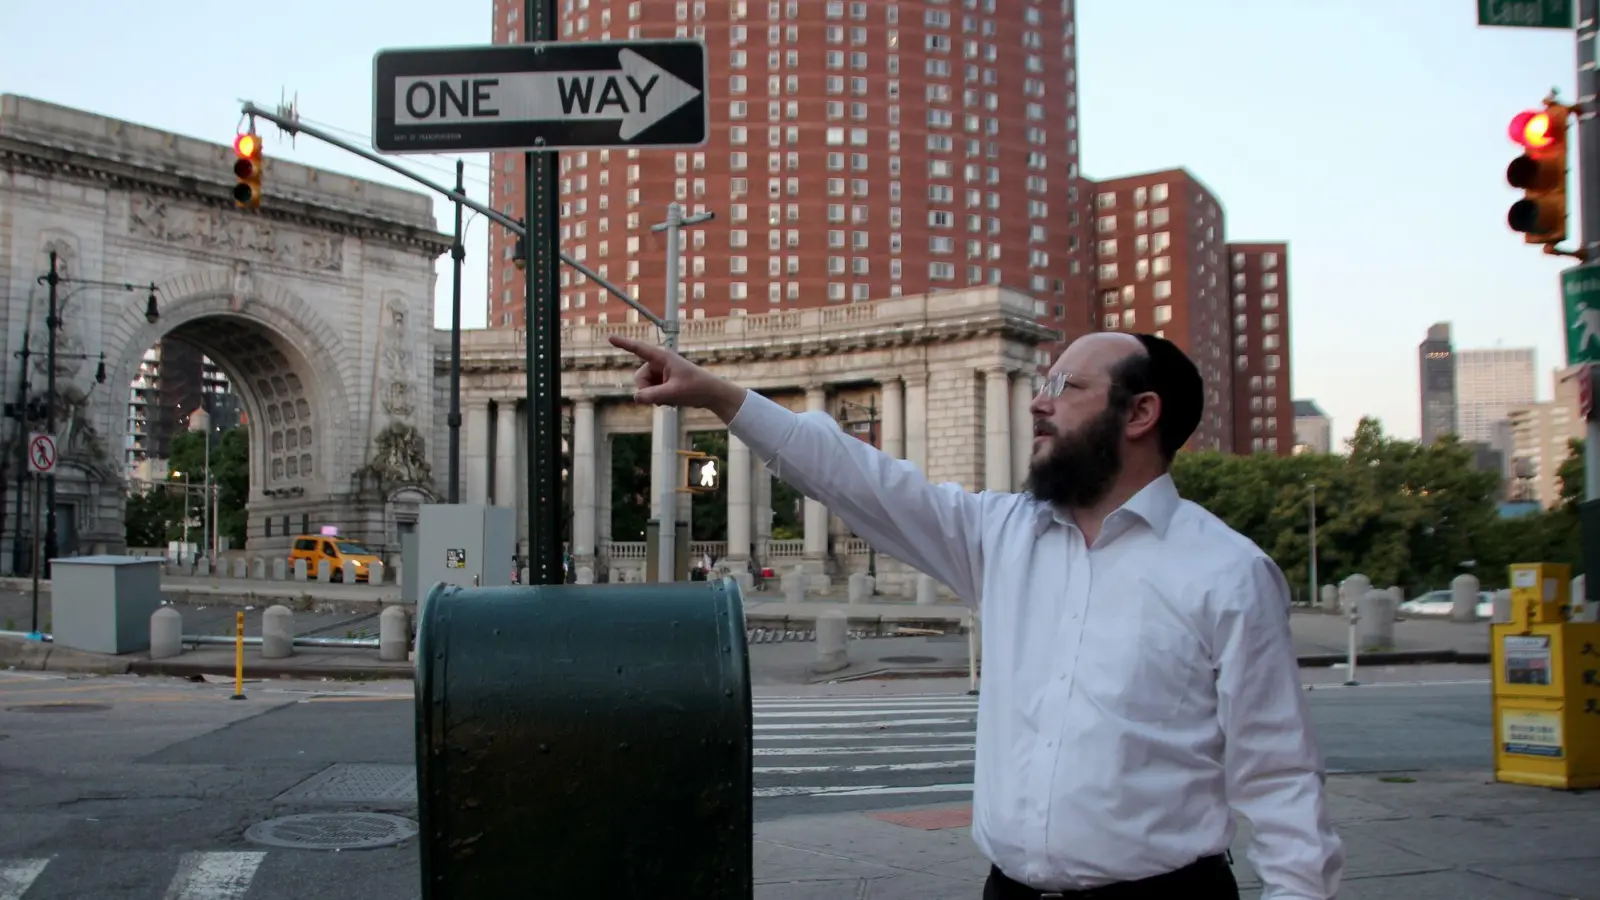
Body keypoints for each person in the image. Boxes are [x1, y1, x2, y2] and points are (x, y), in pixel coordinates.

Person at [610, 330, 1344, 900]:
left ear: (1141, 413)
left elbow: (1280, 779)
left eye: (1065, 386)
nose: (1038, 400)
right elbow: (863, 480)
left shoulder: (1227, 572)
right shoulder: (1004, 537)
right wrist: (721, 397)